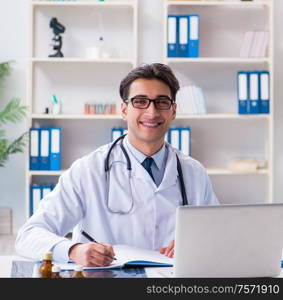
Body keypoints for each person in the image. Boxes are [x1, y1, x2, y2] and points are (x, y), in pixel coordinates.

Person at [15, 63, 219, 267]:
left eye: (162, 102)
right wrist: (74, 250)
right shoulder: (88, 170)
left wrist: (197, 244)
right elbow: (29, 235)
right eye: (140, 102)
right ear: (124, 110)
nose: (152, 112)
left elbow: (218, 234)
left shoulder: (193, 173)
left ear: (173, 111)